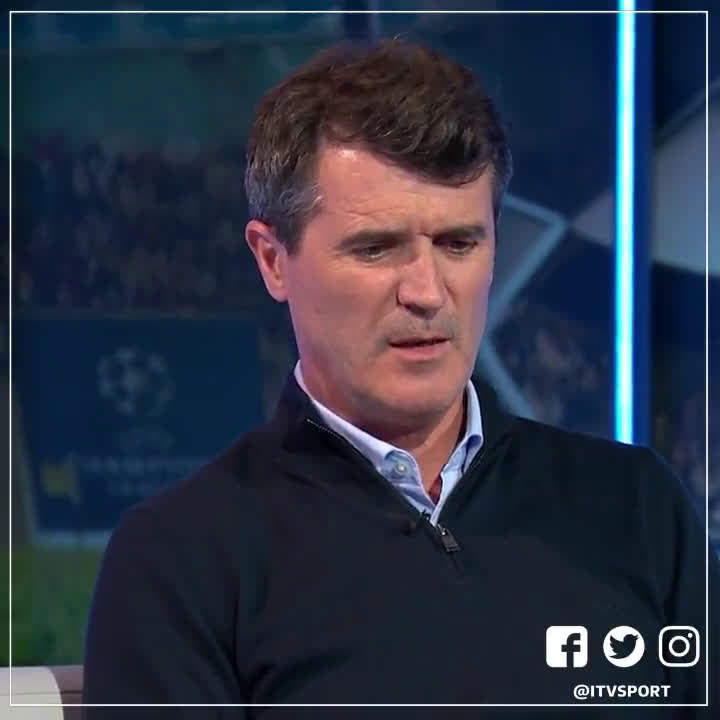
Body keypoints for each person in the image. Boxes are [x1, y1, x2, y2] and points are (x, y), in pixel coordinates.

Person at [83, 39, 718, 718]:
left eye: (458, 243)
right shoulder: (183, 560)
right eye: (376, 248)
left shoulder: (635, 506)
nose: (426, 292)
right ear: (272, 259)